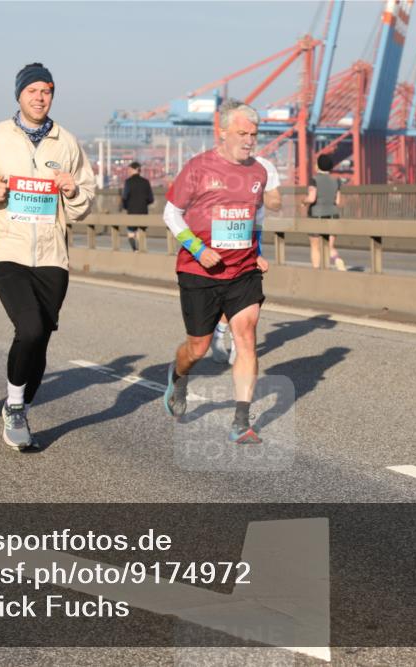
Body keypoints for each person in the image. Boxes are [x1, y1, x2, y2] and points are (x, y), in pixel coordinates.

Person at [0, 62, 96, 450]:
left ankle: (18, 401)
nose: (40, 97)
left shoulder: (66, 142)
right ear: (19, 95)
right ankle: (16, 407)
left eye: (47, 91)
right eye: (33, 90)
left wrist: (72, 191)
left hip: (53, 255)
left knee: (40, 339)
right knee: (31, 328)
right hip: (8, 250)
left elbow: (83, 202)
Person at [161, 99, 269, 444]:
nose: (249, 140)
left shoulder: (259, 172)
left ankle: (241, 421)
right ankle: (178, 378)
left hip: (242, 270)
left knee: (247, 335)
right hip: (199, 270)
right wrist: (197, 248)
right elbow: (170, 213)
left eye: (254, 134)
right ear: (222, 133)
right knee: (198, 348)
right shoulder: (199, 167)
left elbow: (257, 217)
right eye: (242, 133)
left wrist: (259, 252)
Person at [211, 154, 281, 365]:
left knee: (245, 294)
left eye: (250, 134)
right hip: (225, 231)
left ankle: (236, 343)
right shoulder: (218, 164)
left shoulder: (265, 166)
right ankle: (219, 332)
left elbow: (276, 201)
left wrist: (265, 196)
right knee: (229, 290)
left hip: (253, 232)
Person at [304, 154, 346, 271]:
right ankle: (337, 259)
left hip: (316, 216)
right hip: (333, 215)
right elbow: (337, 201)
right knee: (329, 246)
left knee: (315, 246)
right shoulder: (336, 181)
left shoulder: (314, 180)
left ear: (318, 165)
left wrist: (304, 201)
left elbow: (312, 198)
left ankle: (317, 272)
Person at [121, 161, 154, 251]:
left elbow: (125, 197)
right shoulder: (146, 182)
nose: (128, 171)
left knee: (131, 233)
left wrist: (126, 207)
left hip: (131, 211)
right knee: (141, 232)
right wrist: (143, 203)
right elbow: (151, 199)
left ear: (133, 169)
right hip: (143, 211)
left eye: (129, 169)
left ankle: (135, 250)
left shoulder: (128, 182)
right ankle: (141, 249)